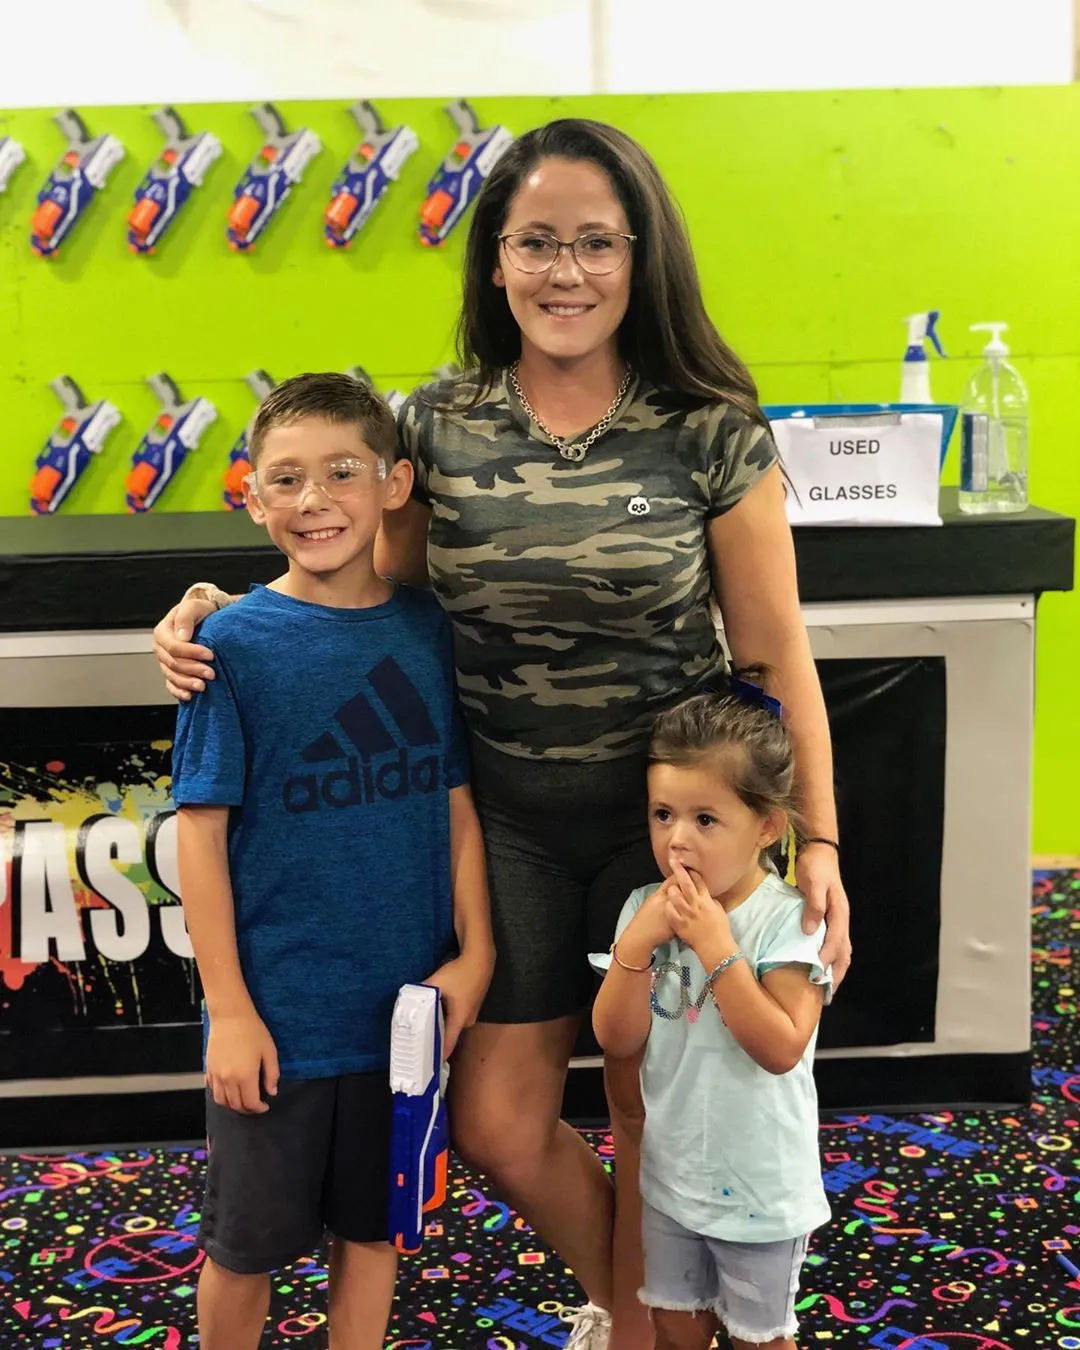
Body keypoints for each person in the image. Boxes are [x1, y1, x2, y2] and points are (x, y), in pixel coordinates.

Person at [154, 118, 851, 1350]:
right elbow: (360, 590)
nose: (564, 271)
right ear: (494, 260)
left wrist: (822, 846)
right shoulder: (437, 427)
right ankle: (642, 1310)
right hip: (505, 826)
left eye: (596, 242)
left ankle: (650, 1334)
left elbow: (772, 654)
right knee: (494, 1125)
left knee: (652, 1115)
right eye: (536, 242)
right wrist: (218, 609)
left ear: (641, 257)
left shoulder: (709, 429)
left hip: (671, 836)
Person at [171, 373, 494, 1350]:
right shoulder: (228, 646)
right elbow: (199, 835)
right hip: (280, 1021)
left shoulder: (427, 629)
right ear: (252, 498)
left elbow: (455, 805)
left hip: (402, 1022)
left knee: (375, 1232)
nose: (314, 500)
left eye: (342, 472)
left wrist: (475, 954)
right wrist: (231, 1011)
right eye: (287, 479)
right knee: (245, 1249)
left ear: (394, 484)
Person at [592, 677, 831, 1350]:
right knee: (674, 1329)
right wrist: (637, 943)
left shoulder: (788, 921)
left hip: (760, 1192)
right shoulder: (644, 907)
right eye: (663, 814)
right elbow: (615, 1038)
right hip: (672, 1181)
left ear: (767, 826)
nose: (677, 841)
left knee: (760, 1340)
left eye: (705, 820)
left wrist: (717, 949)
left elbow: (781, 1047)